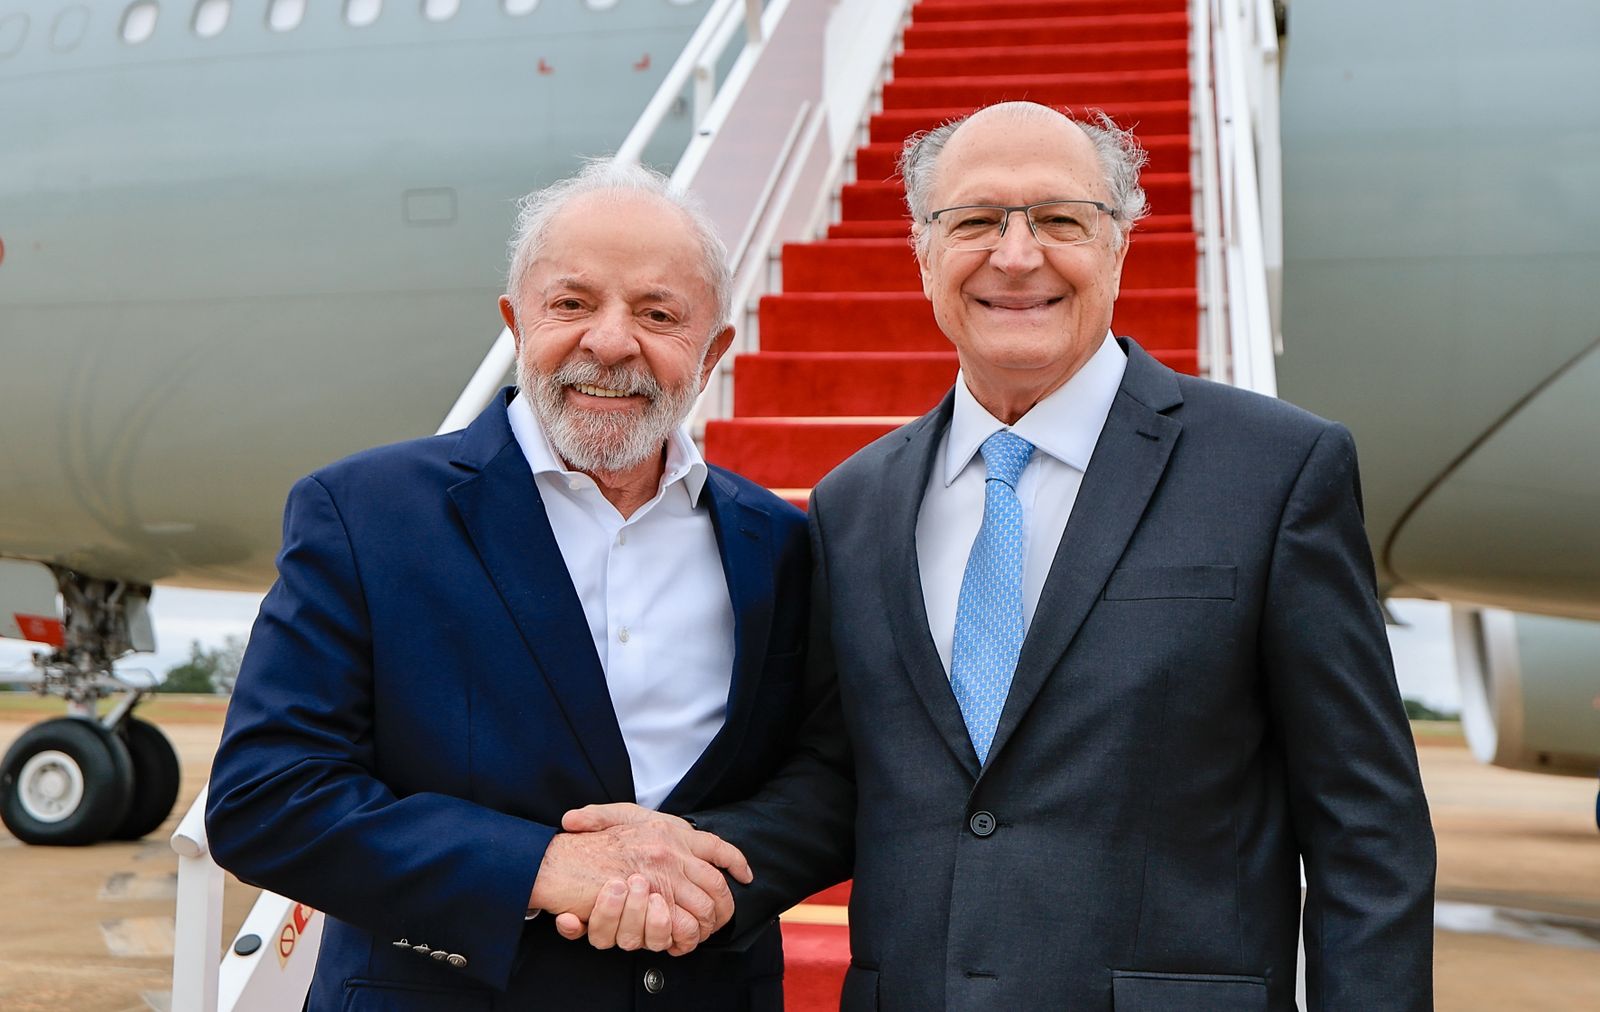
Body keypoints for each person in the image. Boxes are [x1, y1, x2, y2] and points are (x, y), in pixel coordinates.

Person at [564, 102, 1438, 1010]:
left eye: (1060, 219)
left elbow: (1368, 828)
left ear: (1119, 244)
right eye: (975, 220)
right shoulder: (853, 505)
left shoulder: (1275, 471)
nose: (1016, 257)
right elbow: (840, 779)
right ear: (924, 254)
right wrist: (685, 867)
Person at [204, 160, 813, 1010]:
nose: (610, 342)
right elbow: (267, 797)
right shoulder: (363, 514)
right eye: (572, 304)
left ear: (711, 353)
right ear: (516, 323)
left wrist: (703, 875)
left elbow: (822, 777)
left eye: (658, 314)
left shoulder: (778, 542)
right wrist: (541, 866)